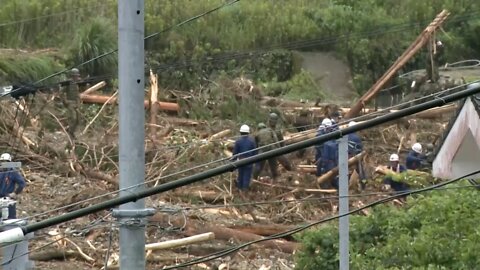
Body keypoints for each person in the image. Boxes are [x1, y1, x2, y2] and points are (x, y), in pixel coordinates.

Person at [0, 153, 26, 219]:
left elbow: (22, 183)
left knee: (10, 218)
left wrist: (15, 193)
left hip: (8, 199)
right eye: (2, 162)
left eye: (5, 162)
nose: (3, 163)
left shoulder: (13, 172)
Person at [231, 125, 257, 191]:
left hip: (241, 161)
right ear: (248, 132)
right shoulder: (252, 141)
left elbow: (235, 153)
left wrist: (232, 161)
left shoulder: (238, 141)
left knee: (241, 175)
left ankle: (240, 188)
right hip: (249, 161)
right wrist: (255, 161)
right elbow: (255, 152)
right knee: (247, 176)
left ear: (240, 132)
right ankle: (245, 189)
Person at [63, 68, 82, 140]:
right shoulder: (68, 83)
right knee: (73, 118)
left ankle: (71, 131)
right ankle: (70, 134)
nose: (77, 77)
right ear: (72, 76)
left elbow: (77, 94)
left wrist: (79, 102)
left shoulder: (77, 83)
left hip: (76, 103)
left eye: (77, 76)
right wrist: (65, 101)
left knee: (78, 120)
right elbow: (62, 92)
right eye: (75, 76)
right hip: (70, 102)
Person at [347, 121, 366, 188]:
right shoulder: (356, 137)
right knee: (360, 169)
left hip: (346, 156)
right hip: (355, 156)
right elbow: (359, 148)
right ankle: (363, 182)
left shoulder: (345, 136)